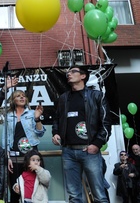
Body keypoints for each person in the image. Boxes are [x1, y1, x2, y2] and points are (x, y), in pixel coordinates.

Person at [52, 65, 112, 202]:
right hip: (68, 152)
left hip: (89, 151)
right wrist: (55, 133)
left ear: (83, 76)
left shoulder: (96, 96)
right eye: (68, 72)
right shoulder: (63, 98)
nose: (69, 74)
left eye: (73, 71)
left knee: (99, 195)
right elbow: (57, 119)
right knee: (74, 196)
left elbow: (105, 123)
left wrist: (96, 144)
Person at [4, 90, 46, 203]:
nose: (22, 98)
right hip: (15, 158)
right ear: (13, 100)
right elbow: (6, 138)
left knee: (32, 189)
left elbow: (40, 132)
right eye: (18, 96)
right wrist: (7, 157)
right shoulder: (8, 116)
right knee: (15, 190)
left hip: (31, 157)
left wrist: (37, 118)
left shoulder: (32, 113)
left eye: (23, 96)